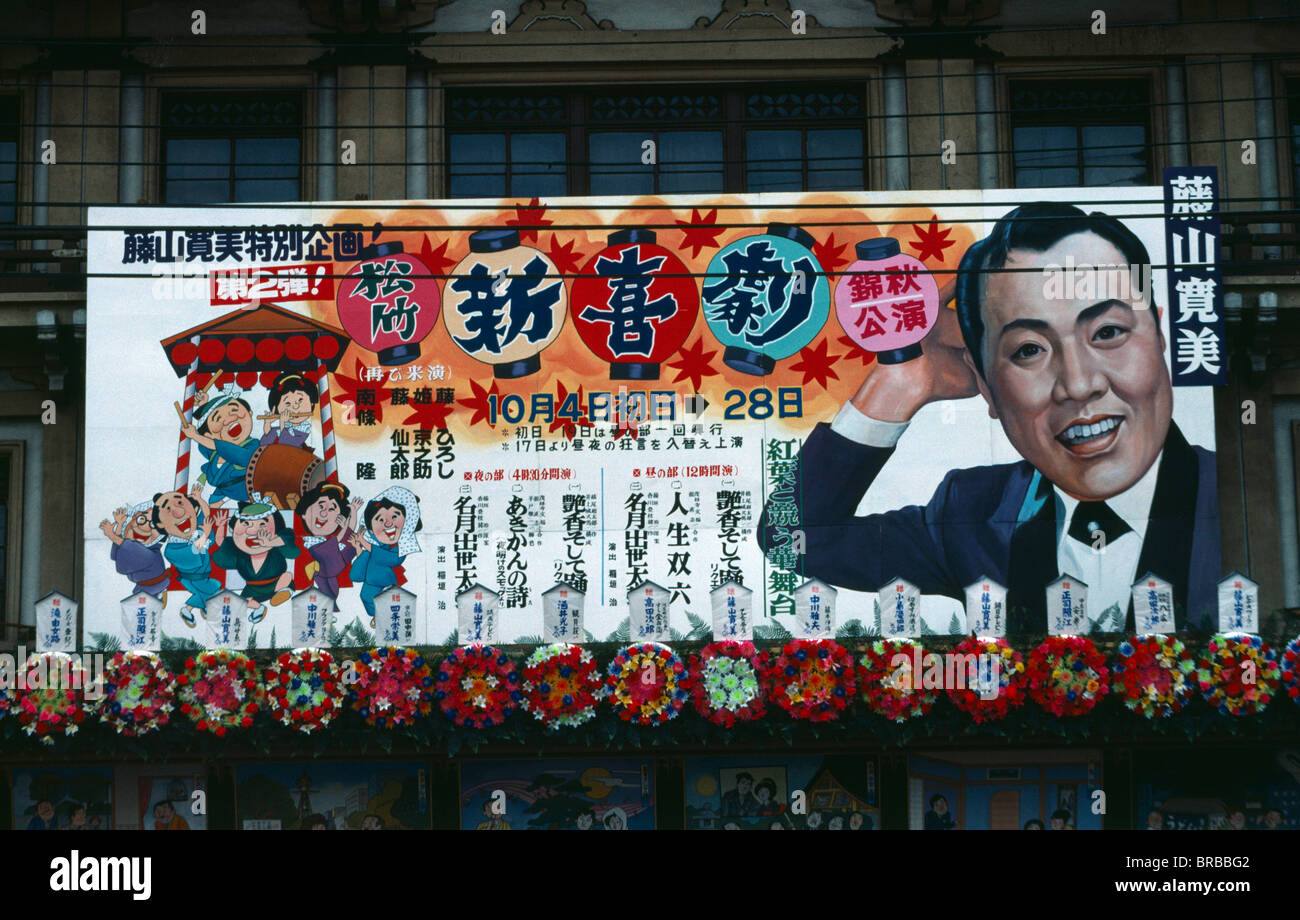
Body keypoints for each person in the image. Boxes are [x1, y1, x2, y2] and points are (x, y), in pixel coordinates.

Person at [759, 203, 1220, 633]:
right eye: (1029, 350)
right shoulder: (973, 511)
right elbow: (788, 537)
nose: (1079, 385)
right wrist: (895, 386)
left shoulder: (1240, 491)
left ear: (1160, 335)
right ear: (987, 387)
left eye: (1108, 332)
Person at [212, 496, 299, 622]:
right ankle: (259, 608)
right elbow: (221, 542)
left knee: (286, 576)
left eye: (263, 524)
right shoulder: (239, 553)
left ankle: (283, 592)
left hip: (276, 582)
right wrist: (220, 527)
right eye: (246, 524)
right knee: (241, 602)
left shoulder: (276, 546)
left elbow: (287, 539)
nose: (253, 531)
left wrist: (270, 542)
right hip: (253, 589)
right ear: (232, 530)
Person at [350, 487, 422, 627]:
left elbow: (392, 559)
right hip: (371, 580)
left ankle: (386, 617)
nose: (388, 523)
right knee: (365, 597)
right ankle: (378, 616)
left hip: (385, 580)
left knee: (388, 600)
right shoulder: (376, 544)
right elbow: (367, 558)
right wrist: (358, 546)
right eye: (380, 519)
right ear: (371, 529)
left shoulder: (399, 547)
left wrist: (363, 542)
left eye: (395, 516)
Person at [151, 490, 220, 628]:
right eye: (168, 509)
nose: (178, 510)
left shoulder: (196, 530)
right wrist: (205, 535)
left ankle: (189, 610)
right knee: (212, 590)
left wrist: (199, 499)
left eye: (180, 503)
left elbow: (206, 514)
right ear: (161, 525)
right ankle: (197, 609)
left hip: (204, 575)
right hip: (192, 578)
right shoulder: (171, 549)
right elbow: (193, 552)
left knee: (211, 590)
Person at [182, 386, 259, 505]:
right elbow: (206, 445)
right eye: (218, 419)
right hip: (221, 493)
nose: (229, 420)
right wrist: (203, 405)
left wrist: (196, 436)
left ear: (249, 413)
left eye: (234, 410)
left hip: (249, 493)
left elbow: (241, 457)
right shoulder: (213, 452)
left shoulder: (252, 445)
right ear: (209, 435)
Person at [296, 481, 362, 599]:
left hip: (334, 566)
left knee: (332, 592)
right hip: (324, 560)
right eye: (320, 506)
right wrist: (345, 528)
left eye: (331, 509)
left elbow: (349, 531)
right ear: (304, 513)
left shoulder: (339, 539)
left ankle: (330, 608)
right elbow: (337, 539)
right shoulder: (313, 543)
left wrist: (353, 511)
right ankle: (316, 570)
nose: (323, 513)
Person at [100, 503, 168, 599]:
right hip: (142, 587)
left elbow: (130, 547)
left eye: (152, 524)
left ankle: (160, 596)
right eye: (141, 519)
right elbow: (116, 554)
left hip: (153, 587)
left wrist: (111, 535)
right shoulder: (134, 545)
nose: (144, 527)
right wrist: (119, 526)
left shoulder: (151, 553)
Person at [261, 372, 317, 449]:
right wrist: (267, 424)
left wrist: (282, 423)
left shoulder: (303, 429)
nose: (295, 407)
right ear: (277, 409)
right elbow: (264, 443)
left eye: (300, 400)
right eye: (287, 403)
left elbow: (288, 445)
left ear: (312, 402)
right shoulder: (281, 428)